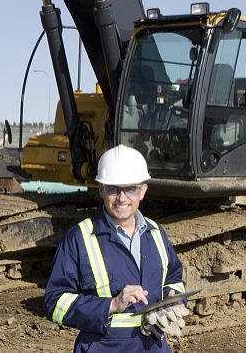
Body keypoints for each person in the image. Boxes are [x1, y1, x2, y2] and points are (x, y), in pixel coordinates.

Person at [44, 145, 188, 352]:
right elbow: (55, 302)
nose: (122, 198)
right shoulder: (80, 238)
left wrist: (173, 301)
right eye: (113, 189)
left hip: (154, 347)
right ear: (101, 190)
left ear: (143, 191)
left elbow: (173, 277)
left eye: (130, 189)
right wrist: (111, 305)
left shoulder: (156, 233)